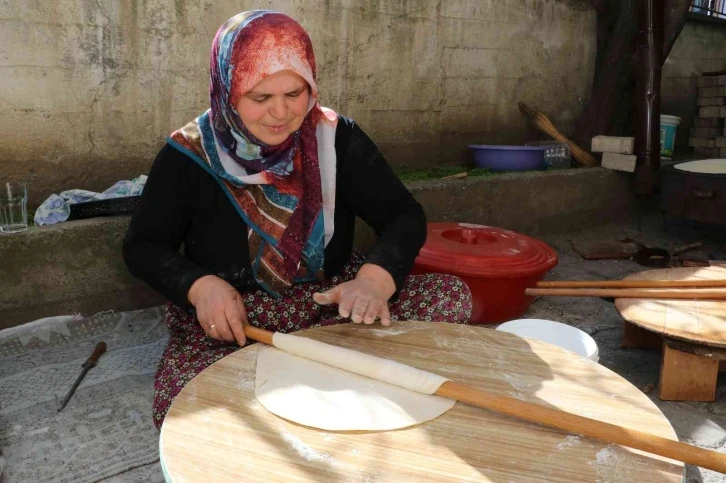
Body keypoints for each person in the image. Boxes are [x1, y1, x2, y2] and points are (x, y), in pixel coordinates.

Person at [122, 10, 473, 429]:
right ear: (228, 91)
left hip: (330, 307)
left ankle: (325, 370)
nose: (281, 113)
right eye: (260, 97)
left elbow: (403, 215)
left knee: (450, 296)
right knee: (186, 411)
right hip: (239, 323)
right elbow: (143, 246)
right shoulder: (189, 155)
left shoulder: (333, 137)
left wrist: (373, 282)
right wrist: (201, 288)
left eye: (295, 93)